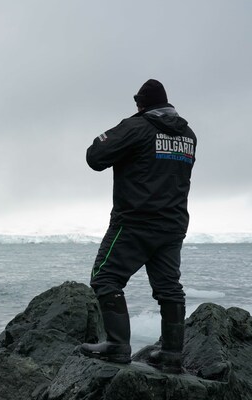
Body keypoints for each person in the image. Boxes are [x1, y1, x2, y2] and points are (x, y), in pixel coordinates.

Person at [79, 79, 197, 374]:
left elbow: (95, 157)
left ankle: (118, 346)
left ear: (142, 103)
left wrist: (130, 124)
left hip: (134, 223)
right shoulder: (189, 135)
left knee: (106, 278)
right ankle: (171, 354)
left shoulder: (137, 127)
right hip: (172, 225)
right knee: (169, 288)